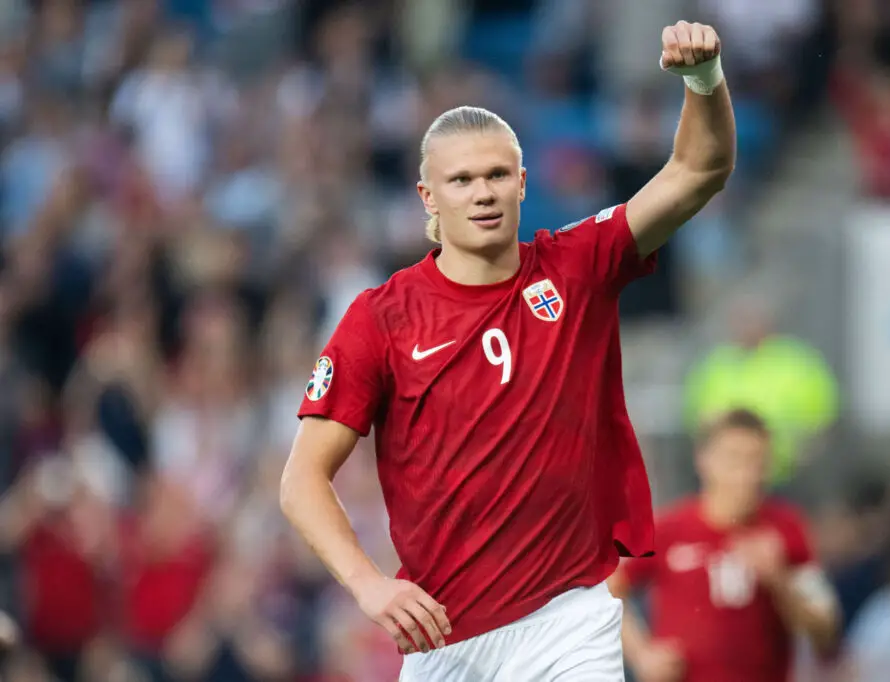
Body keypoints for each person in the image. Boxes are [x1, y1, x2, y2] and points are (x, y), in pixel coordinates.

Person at [280, 19, 736, 682]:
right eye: (462, 180)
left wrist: (703, 78)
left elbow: (700, 169)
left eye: (497, 174)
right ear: (428, 197)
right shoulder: (381, 318)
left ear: (523, 182)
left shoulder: (576, 266)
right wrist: (368, 583)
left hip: (568, 620)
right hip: (443, 638)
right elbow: (301, 480)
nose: (484, 193)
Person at [609, 409, 839, 682]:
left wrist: (779, 580)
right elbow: (611, 588)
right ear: (704, 460)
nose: (746, 475)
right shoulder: (669, 529)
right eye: (734, 459)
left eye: (757, 461)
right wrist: (642, 655)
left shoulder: (785, 529)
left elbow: (826, 631)